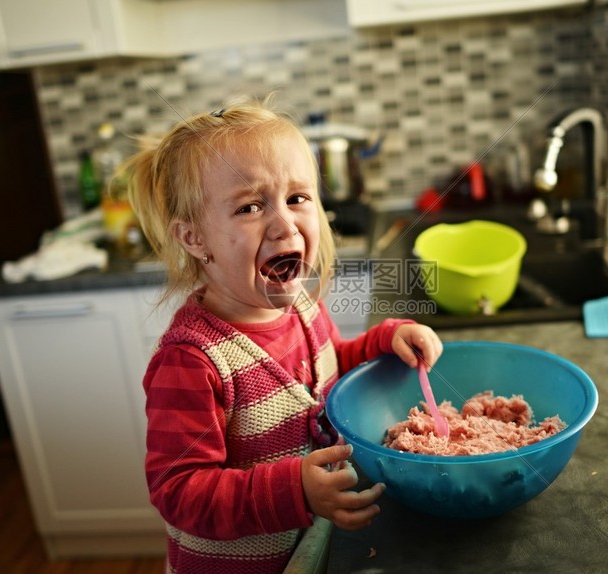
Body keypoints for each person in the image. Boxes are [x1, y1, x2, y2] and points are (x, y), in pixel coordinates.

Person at [124, 96, 443, 573]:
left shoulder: (301, 306)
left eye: (297, 198)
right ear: (194, 239)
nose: (283, 224)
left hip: (311, 552)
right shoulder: (191, 360)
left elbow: (333, 366)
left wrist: (382, 342)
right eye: (250, 206)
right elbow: (179, 491)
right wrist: (293, 490)